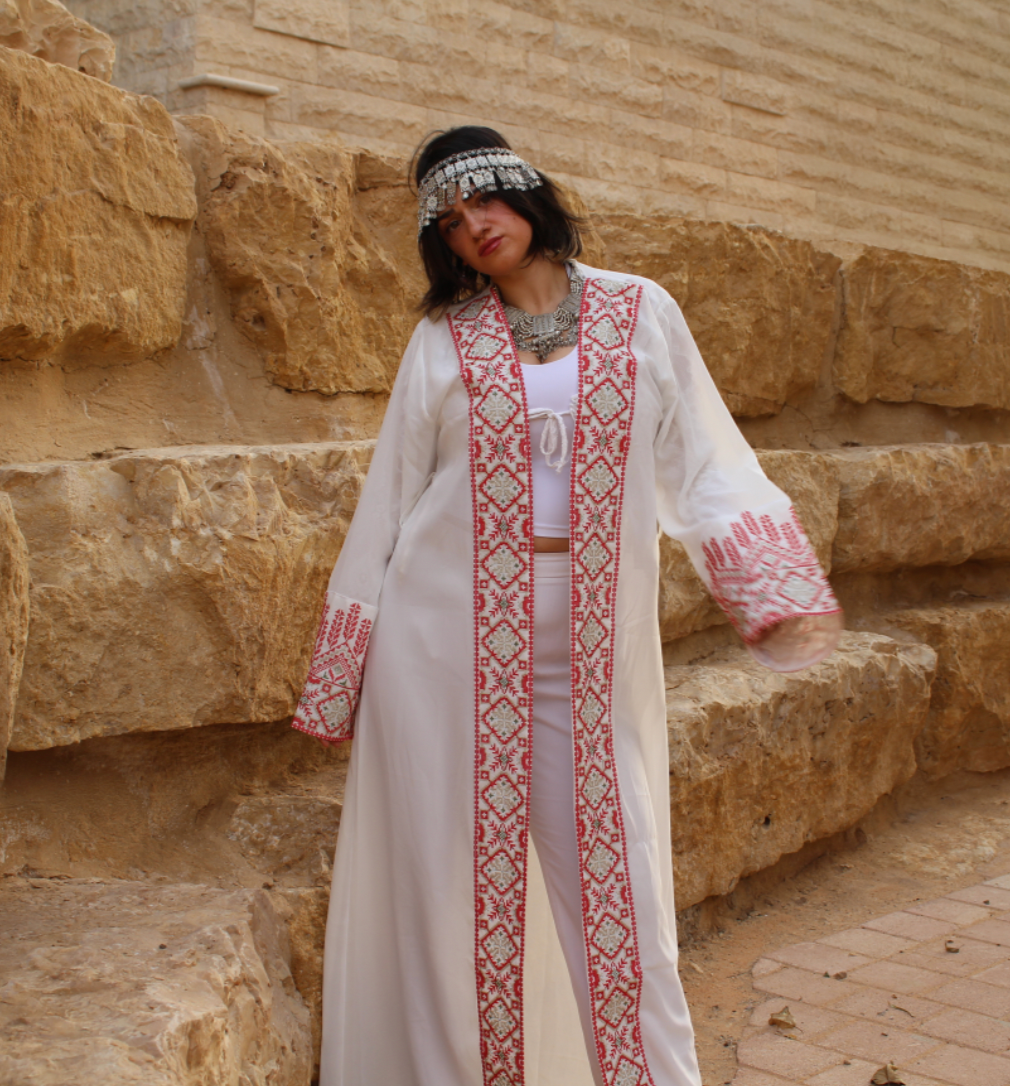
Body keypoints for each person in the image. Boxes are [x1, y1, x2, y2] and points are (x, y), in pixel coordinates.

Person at [291, 126, 843, 1086]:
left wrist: (771, 585)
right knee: (450, 913)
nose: (475, 229)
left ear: (529, 195)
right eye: (452, 223)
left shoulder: (642, 313)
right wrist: (344, 671)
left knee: (624, 911)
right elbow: (390, 501)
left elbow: (706, 460)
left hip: (585, 666)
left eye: (487, 203)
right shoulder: (441, 341)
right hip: (440, 660)